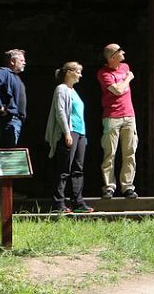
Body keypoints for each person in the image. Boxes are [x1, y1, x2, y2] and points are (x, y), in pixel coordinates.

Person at [45, 62, 94, 214]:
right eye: (78, 71)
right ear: (69, 72)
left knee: (78, 169)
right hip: (69, 132)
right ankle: (58, 203)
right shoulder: (61, 89)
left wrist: (82, 135)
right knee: (64, 169)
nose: (80, 75)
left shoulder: (74, 91)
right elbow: (60, 111)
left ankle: (78, 202)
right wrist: (66, 133)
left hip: (80, 133)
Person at [97, 43, 138, 199]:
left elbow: (119, 89)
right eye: (121, 51)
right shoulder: (103, 73)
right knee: (110, 153)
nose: (124, 53)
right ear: (112, 56)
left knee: (130, 152)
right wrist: (128, 78)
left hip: (129, 115)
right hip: (111, 116)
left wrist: (123, 81)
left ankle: (127, 186)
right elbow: (118, 90)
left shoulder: (125, 66)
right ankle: (109, 186)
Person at [0, 48, 28, 147]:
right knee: (8, 152)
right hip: (10, 120)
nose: (24, 63)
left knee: (11, 151)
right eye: (21, 60)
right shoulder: (4, 72)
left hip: (17, 120)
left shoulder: (16, 77)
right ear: (12, 61)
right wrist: (0, 106)